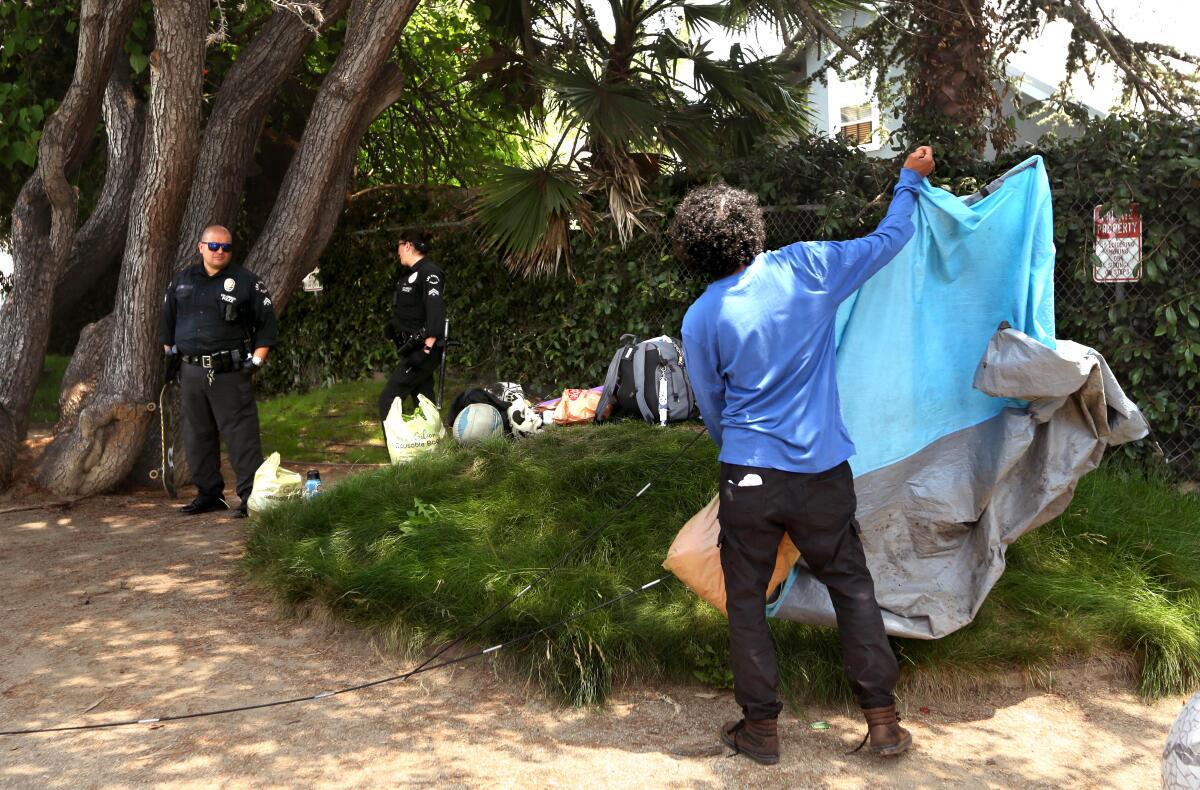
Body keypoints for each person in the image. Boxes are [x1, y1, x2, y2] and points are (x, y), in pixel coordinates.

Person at [674, 146, 936, 765]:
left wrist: (740, 457)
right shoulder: (809, 267)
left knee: (746, 602)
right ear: (751, 227)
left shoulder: (700, 316)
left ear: (695, 250)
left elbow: (712, 408)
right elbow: (890, 237)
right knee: (851, 586)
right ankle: (884, 723)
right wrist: (908, 180)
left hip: (748, 479)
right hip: (823, 477)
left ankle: (760, 732)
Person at [159, 224, 278, 519]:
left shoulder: (245, 281)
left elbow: (267, 325)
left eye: (226, 247)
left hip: (229, 371)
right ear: (201, 247)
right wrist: (171, 356)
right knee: (197, 435)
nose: (220, 252)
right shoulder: (182, 282)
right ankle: (209, 495)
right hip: (191, 372)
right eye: (214, 247)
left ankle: (251, 497)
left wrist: (257, 361)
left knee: (241, 436)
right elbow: (167, 322)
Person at [378, 229, 446, 422]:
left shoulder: (429, 272)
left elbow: (436, 311)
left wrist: (425, 350)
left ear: (407, 246)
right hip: (413, 349)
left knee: (388, 400)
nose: (397, 251)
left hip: (423, 351)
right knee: (423, 400)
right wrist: (395, 326)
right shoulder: (411, 274)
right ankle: (432, 449)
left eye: (398, 246)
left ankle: (396, 450)